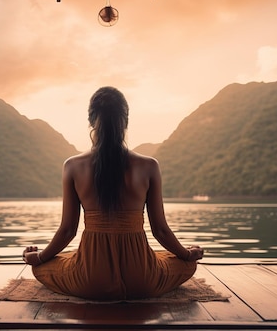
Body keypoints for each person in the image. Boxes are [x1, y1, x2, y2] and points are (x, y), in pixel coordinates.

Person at [22, 86, 204, 300]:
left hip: (90, 280)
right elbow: (160, 231)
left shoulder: (72, 166)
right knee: (184, 264)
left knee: (43, 267)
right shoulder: (149, 166)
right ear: (125, 121)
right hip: (142, 279)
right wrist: (187, 254)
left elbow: (68, 230)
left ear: (91, 121)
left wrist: (40, 258)